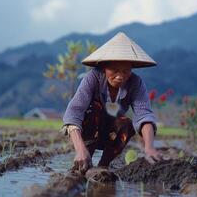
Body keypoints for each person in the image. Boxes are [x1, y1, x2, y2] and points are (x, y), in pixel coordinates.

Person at [62, 32, 162, 174]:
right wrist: (80, 149)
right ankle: (84, 161)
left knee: (126, 123)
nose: (120, 76)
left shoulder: (135, 83)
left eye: (126, 71)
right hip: (89, 130)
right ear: (104, 67)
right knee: (93, 109)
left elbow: (144, 115)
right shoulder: (93, 78)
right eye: (114, 70)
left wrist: (149, 148)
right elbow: (74, 111)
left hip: (112, 134)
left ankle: (103, 166)